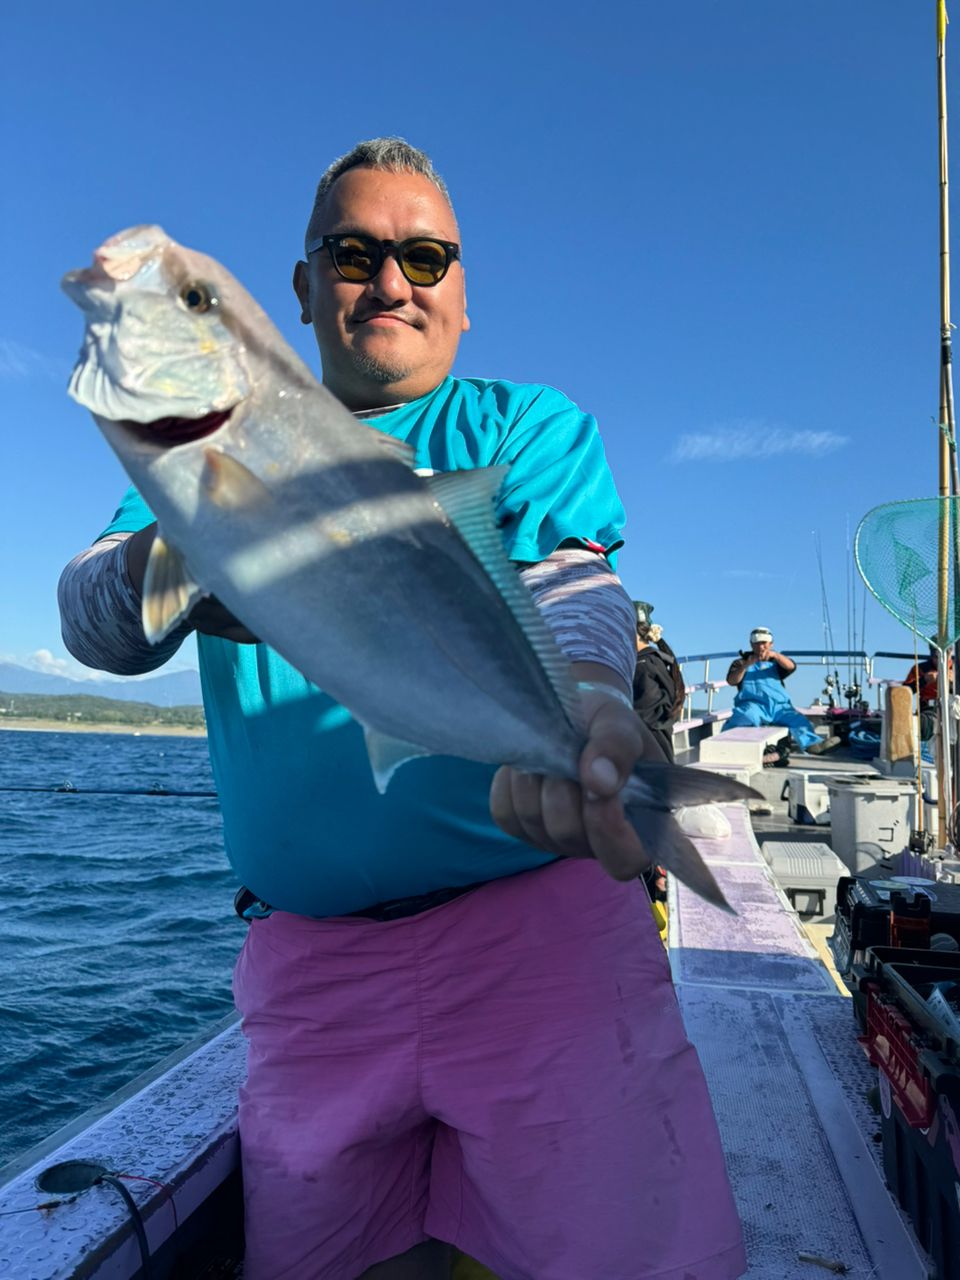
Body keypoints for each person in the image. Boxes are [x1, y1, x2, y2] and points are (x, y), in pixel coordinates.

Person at [59, 139, 745, 1280]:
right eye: (354, 252)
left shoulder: (523, 424)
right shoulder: (200, 461)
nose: (392, 281)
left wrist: (586, 705)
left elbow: (574, 581)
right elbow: (97, 623)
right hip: (312, 978)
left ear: (463, 293)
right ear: (299, 289)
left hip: (543, 946)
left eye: (426, 255)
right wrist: (196, 538)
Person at [724, 627, 837, 756]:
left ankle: (813, 745)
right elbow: (732, 681)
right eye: (757, 643)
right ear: (751, 644)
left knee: (798, 720)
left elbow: (791, 666)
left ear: (771, 644)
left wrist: (775, 655)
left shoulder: (777, 662)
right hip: (753, 705)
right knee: (746, 716)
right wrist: (746, 665)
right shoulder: (740, 662)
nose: (761, 647)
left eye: (764, 643)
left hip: (779, 706)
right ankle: (729, 743)